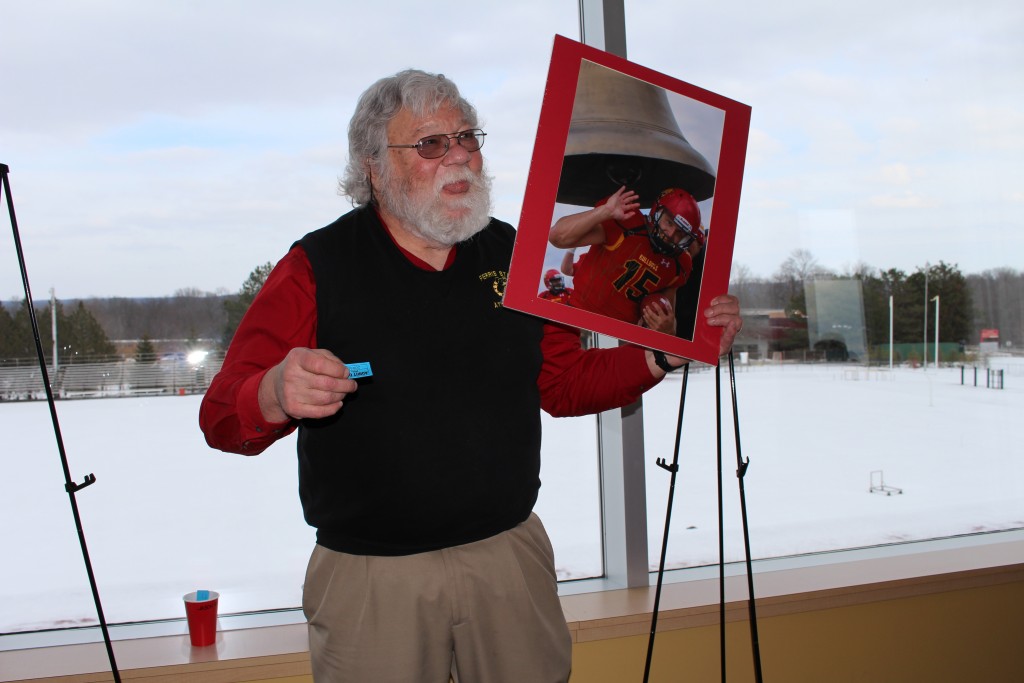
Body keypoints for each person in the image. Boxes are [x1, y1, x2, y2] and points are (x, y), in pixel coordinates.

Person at [199, 69, 742, 683]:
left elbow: (561, 385)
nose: (460, 156)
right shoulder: (316, 266)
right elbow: (220, 416)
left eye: (467, 138)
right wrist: (273, 391)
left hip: (509, 561)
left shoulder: (516, 256)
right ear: (375, 167)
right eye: (431, 144)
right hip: (374, 580)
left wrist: (666, 353)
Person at [549, 185, 707, 336]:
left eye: (680, 233)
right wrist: (603, 212)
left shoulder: (680, 264)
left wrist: (666, 329)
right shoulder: (628, 223)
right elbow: (557, 237)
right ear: (657, 212)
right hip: (577, 317)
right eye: (669, 222)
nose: (671, 234)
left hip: (622, 338)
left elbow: (669, 322)